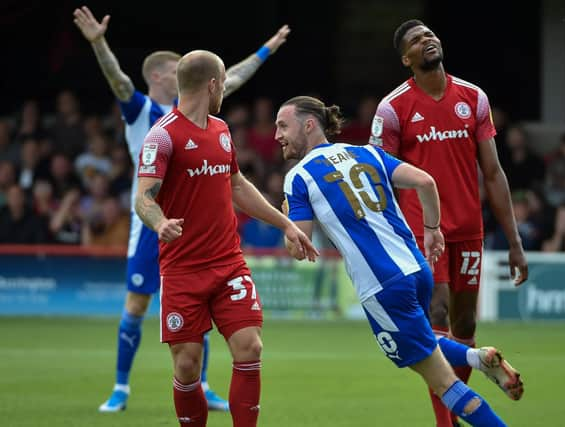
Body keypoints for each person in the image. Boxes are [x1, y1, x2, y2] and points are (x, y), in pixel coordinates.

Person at [73, 5, 291, 412]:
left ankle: (203, 384)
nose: (180, 73)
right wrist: (99, 43)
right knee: (136, 306)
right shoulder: (143, 112)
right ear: (160, 75)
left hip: (203, 233)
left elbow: (232, 77)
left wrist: (267, 49)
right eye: (175, 68)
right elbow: (117, 80)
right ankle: (121, 387)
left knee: (215, 323)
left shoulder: (212, 123)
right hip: (152, 220)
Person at [277, 96, 523, 427]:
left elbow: (300, 250)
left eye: (283, 125)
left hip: (382, 285)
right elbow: (425, 181)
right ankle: (475, 357)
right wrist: (432, 230)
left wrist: (286, 221)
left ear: (309, 125)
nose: (277, 134)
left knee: (444, 383)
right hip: (416, 268)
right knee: (420, 339)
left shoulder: (299, 177)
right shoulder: (367, 152)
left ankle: (482, 385)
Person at [134, 50, 317, 427]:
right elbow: (142, 197)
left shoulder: (220, 129)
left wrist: (285, 223)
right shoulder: (162, 136)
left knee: (250, 347)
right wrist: (160, 222)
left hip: (228, 263)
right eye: (223, 85)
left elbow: (236, 185)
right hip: (182, 268)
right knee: (187, 366)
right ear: (214, 85)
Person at [369, 19, 528, 427]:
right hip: (422, 231)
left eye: (430, 34)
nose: (428, 40)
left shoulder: (473, 98)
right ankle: (447, 422)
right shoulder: (393, 109)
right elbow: (378, 177)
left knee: (465, 323)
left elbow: (492, 173)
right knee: (435, 312)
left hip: (468, 228)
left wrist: (514, 242)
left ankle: (462, 390)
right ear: (407, 59)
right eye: (416, 40)